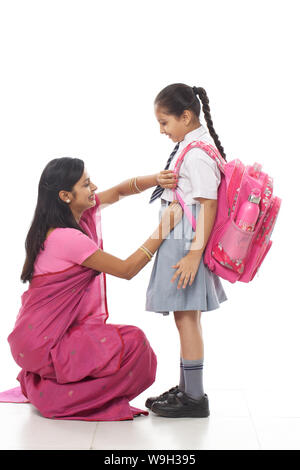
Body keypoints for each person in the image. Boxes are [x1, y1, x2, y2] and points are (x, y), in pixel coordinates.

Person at [0, 157, 183, 421]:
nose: (94, 187)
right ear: (65, 196)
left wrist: (156, 179)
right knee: (135, 346)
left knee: (124, 344)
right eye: (86, 184)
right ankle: (53, 395)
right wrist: (165, 226)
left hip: (31, 340)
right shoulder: (68, 238)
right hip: (46, 343)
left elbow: (120, 191)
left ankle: (46, 384)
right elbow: (127, 269)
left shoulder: (74, 218)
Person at [145, 83, 228, 418]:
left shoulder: (196, 154)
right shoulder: (193, 146)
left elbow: (207, 205)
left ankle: (194, 398)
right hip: (183, 235)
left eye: (165, 122)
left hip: (185, 240)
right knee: (187, 316)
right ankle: (187, 389)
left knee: (185, 318)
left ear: (186, 116)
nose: (161, 130)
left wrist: (194, 254)